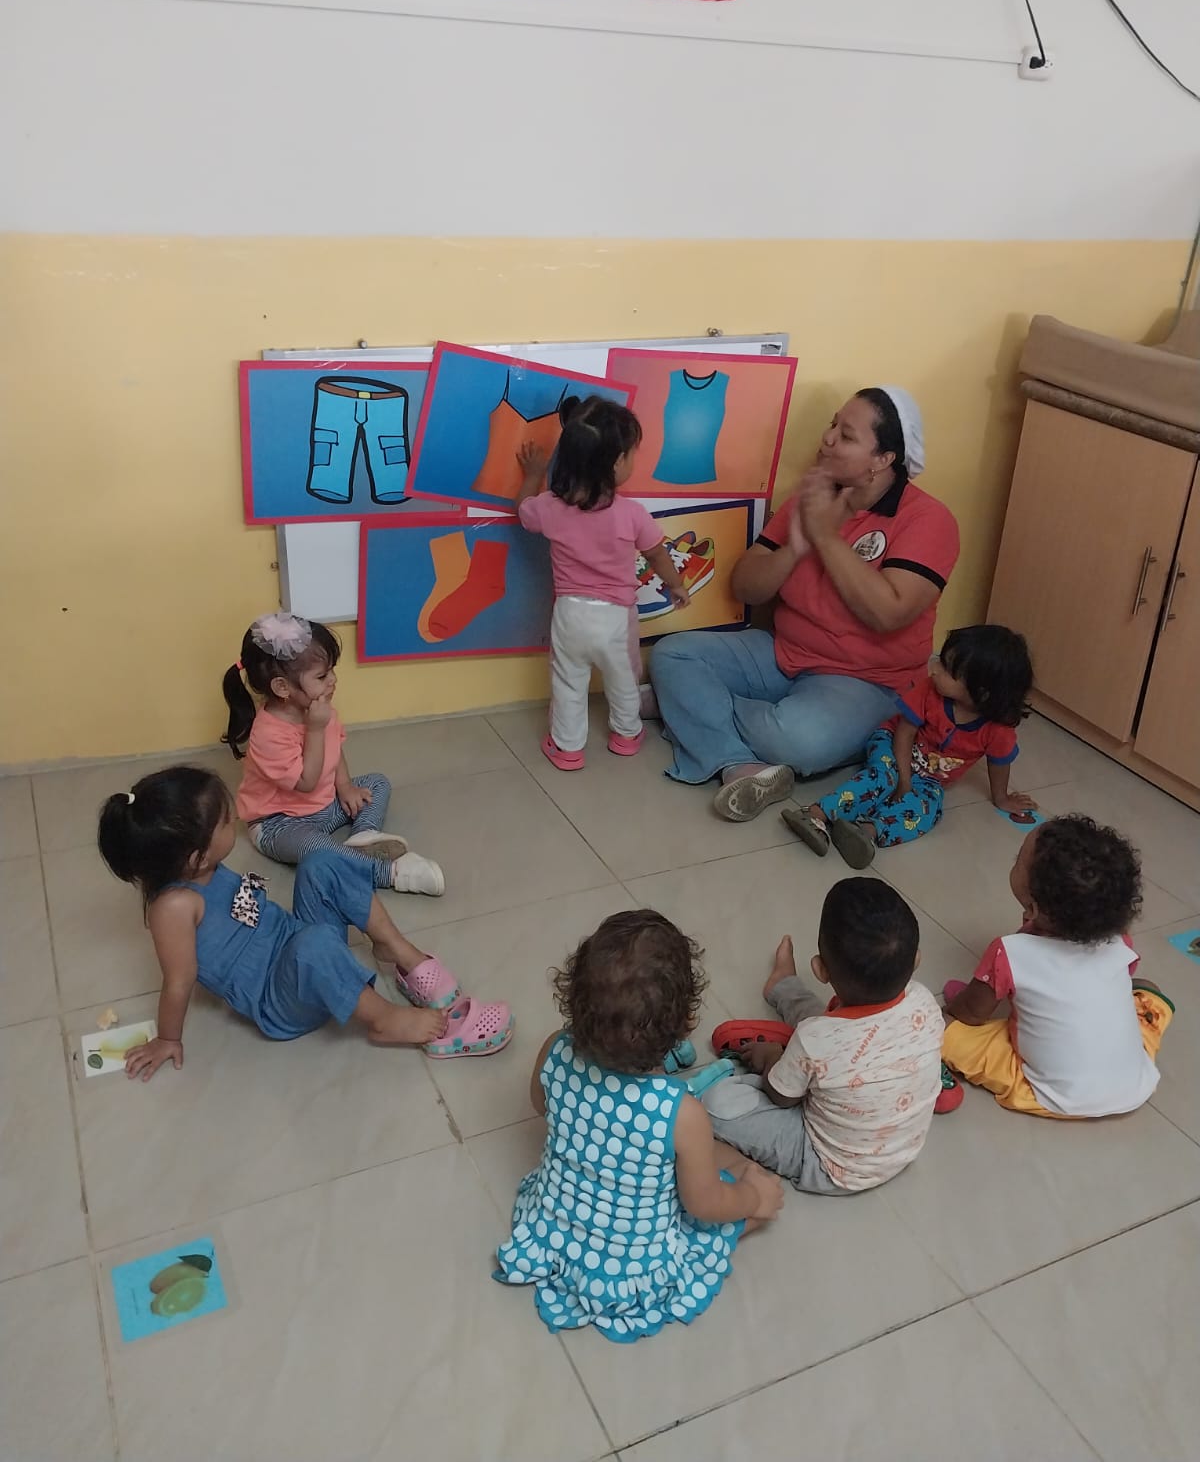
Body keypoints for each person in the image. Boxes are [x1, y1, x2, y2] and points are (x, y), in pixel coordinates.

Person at [648, 386, 960, 821]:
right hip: (783, 652)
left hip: (867, 680)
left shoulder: (928, 519)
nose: (827, 439)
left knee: (797, 742)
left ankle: (688, 710)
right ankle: (737, 764)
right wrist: (796, 546)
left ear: (883, 459)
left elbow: (889, 613)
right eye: (832, 425)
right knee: (674, 654)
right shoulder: (810, 497)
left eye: (846, 435)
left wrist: (825, 535)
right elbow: (747, 587)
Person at [97, 766, 513, 1079]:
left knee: (321, 861)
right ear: (196, 857)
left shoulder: (202, 867)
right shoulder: (172, 907)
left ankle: (397, 949)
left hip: (295, 941)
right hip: (278, 998)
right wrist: (168, 1038)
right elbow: (178, 981)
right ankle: (385, 1019)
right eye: (225, 822)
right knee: (314, 946)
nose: (236, 818)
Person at [494, 909, 783, 1341]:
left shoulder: (555, 1048)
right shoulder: (680, 1113)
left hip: (552, 1231)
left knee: (703, 1157)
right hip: (632, 1270)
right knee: (743, 1196)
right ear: (686, 1024)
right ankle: (754, 1196)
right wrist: (750, 1196)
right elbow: (703, 1205)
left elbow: (542, 1105)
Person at [702, 878, 947, 1193]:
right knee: (831, 1031)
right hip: (904, 1149)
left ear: (820, 969)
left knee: (717, 1103)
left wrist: (774, 1057)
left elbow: (781, 1097)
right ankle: (783, 990)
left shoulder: (815, 1039)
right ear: (916, 960)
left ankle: (784, 991)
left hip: (828, 1165)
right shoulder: (925, 1002)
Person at [942, 816, 1174, 1117]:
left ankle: (937, 1076)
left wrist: (956, 1011)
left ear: (1033, 908)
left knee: (936, 1025)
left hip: (1048, 1094)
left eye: (1017, 860)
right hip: (1135, 1084)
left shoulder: (1008, 952)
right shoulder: (1119, 942)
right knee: (1149, 989)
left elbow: (971, 1014)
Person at [515, 396, 691, 770]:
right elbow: (658, 555)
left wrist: (532, 475)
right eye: (632, 454)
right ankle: (626, 736)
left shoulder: (550, 506)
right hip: (616, 617)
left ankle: (567, 748)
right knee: (624, 679)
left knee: (568, 682)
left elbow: (524, 513)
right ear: (616, 463)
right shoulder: (632, 514)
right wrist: (676, 585)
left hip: (570, 614)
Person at [222, 611, 443, 894]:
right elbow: (306, 782)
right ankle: (390, 873)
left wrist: (346, 787)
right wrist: (315, 729)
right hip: (279, 822)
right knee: (316, 847)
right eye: (322, 675)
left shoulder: (318, 709)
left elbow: (334, 749)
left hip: (323, 805)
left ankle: (364, 834)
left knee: (377, 783)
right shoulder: (268, 734)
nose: (333, 680)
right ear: (282, 687)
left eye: (332, 670)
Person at [781, 624, 1037, 868]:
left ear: (982, 692)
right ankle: (816, 815)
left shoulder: (998, 730)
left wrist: (1001, 798)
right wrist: (903, 779)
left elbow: (999, 762)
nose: (934, 670)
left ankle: (865, 832)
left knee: (928, 807)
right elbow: (904, 733)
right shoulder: (929, 692)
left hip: (930, 778)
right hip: (891, 743)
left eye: (947, 669)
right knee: (884, 777)